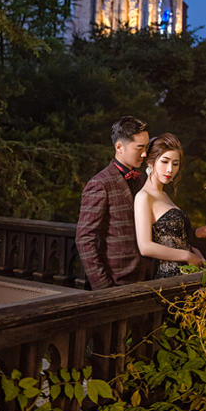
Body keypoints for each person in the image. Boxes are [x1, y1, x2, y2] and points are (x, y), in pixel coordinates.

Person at [74, 116, 150, 290]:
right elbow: (85, 239)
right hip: (116, 282)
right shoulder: (99, 184)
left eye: (146, 148)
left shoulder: (142, 180)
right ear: (119, 147)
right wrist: (103, 287)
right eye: (139, 148)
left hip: (146, 278)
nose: (145, 154)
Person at [133, 133, 206, 278]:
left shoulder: (165, 195)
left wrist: (194, 251)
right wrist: (187, 255)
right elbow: (145, 247)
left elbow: (174, 238)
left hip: (187, 274)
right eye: (165, 162)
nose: (170, 169)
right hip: (169, 278)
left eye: (175, 164)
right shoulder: (143, 197)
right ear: (150, 162)